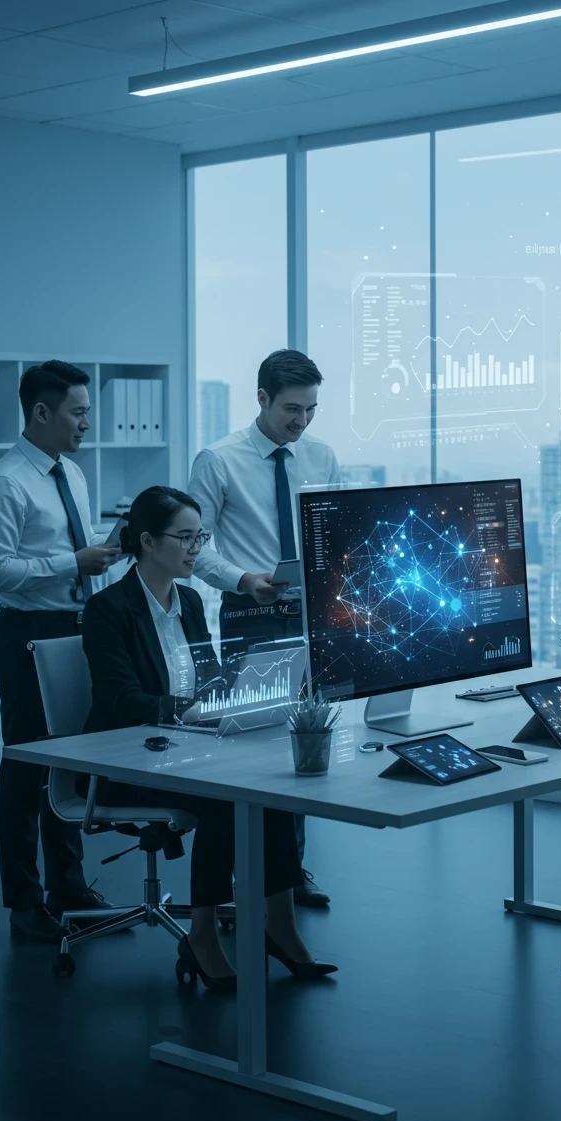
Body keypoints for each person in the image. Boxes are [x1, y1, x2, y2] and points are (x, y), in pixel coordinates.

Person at [80, 485, 337, 989]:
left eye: (202, 537)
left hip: (188, 750)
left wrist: (238, 694)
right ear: (149, 542)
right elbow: (122, 701)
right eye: (186, 538)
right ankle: (201, 935)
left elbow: (210, 674)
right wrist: (190, 711)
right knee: (227, 798)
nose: (197, 548)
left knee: (270, 785)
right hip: (128, 762)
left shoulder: (193, 602)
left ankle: (280, 927)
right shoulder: (108, 610)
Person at [189, 349, 342, 909]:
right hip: (249, 612)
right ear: (261, 399)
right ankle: (244, 875)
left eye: (310, 410)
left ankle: (290, 872)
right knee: (257, 748)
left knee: (305, 742)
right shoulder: (219, 459)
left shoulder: (321, 456)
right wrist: (242, 579)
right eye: (291, 410)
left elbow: (331, 531)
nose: (301, 422)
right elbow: (195, 544)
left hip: (308, 613)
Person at [0, 360, 121, 942]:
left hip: (75, 628)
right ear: (42, 412)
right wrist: (72, 563)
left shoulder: (73, 474)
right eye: (78, 412)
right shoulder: (6, 480)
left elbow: (78, 554)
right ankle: (23, 903)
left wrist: (103, 560)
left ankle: (70, 887)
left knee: (70, 763)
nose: (87, 422)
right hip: (26, 632)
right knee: (26, 766)